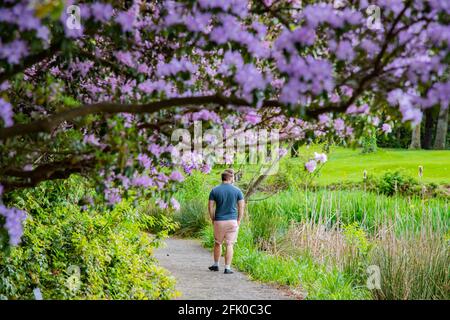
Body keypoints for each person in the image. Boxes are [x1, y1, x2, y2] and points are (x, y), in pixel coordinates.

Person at [208, 169, 245, 274]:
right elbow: (241, 207)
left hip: (219, 221)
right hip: (232, 221)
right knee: (229, 244)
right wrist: (239, 220)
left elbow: (210, 207)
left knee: (217, 243)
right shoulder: (237, 191)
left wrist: (213, 218)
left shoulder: (214, 190)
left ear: (222, 178)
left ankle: (215, 265)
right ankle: (227, 268)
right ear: (230, 178)